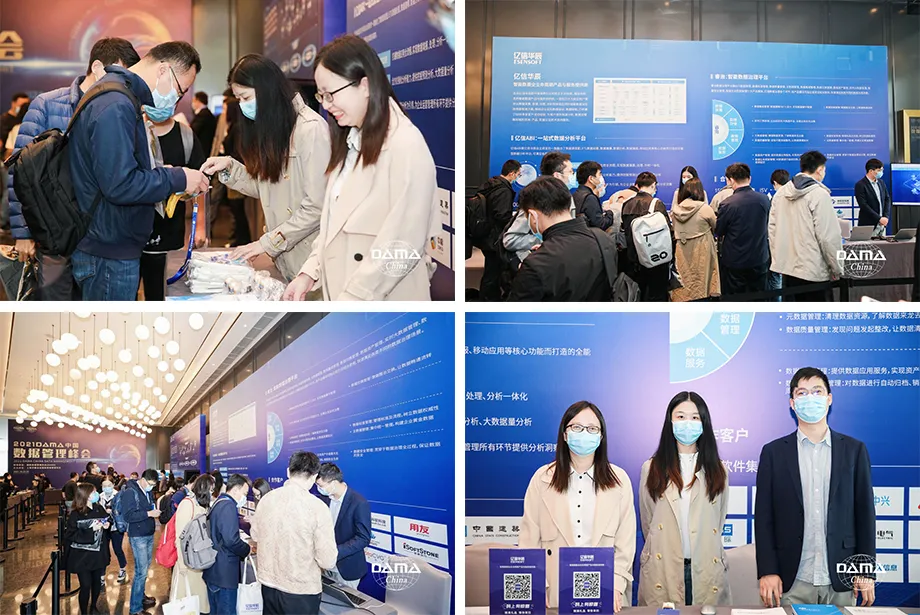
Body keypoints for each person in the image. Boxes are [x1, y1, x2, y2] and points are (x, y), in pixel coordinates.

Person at [281, 35, 439, 301]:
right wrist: (308, 273)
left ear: (364, 85)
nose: (326, 105)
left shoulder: (405, 144)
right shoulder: (351, 141)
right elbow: (332, 228)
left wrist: (353, 299)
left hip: (381, 304)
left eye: (330, 94)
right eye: (321, 95)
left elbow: (402, 245)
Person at [68, 41, 210, 301]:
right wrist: (178, 177)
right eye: (179, 91)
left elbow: (116, 171)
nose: (176, 100)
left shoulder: (120, 98)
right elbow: (120, 185)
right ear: (163, 70)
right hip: (108, 252)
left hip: (112, 246)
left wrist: (161, 173)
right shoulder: (116, 104)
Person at [6, 38, 141, 301]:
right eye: (121, 74)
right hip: (54, 235)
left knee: (95, 313)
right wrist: (22, 233)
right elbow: (19, 172)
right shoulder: (47, 105)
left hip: (98, 237)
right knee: (55, 312)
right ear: (98, 67)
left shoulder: (123, 110)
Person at [200, 54, 330, 282]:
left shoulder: (310, 129)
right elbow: (268, 187)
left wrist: (267, 243)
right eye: (238, 99)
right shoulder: (275, 127)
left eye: (246, 97)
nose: (242, 105)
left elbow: (317, 206)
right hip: (286, 259)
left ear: (266, 89)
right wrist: (230, 167)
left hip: (311, 263)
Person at [755, 367, 876, 608]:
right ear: (792, 403)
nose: (810, 398)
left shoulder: (854, 451)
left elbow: (865, 514)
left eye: (817, 391)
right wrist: (768, 570)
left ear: (829, 399)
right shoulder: (773, 453)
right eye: (802, 393)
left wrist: (865, 569)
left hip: (842, 577)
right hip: (791, 579)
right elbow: (764, 517)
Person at [519, 401, 636, 611]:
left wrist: (616, 585)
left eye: (592, 429)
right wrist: (538, 585)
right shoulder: (542, 479)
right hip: (554, 592)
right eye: (577, 427)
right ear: (565, 434)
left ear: (601, 437)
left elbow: (625, 543)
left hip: (606, 590)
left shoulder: (619, 480)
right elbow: (529, 540)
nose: (584, 434)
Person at [638, 392, 730, 606]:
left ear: (704, 423)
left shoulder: (719, 470)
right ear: (670, 421)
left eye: (695, 417)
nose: (687, 423)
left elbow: (718, 521)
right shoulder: (651, 468)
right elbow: (649, 522)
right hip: (663, 569)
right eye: (680, 416)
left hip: (706, 568)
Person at [252, 452, 337, 615]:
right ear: (314, 476)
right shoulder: (317, 508)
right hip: (300, 591)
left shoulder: (266, 500)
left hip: (268, 585)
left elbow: (255, 535)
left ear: (288, 472)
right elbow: (327, 560)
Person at [507, 177, 615, 301]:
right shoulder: (603, 239)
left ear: (533, 215)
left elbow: (517, 309)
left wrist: (526, 271)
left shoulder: (536, 264)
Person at [140, 109, 208, 300]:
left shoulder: (185, 136)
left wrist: (200, 226)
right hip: (132, 236)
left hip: (169, 235)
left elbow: (200, 184)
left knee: (161, 296)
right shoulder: (132, 131)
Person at [768, 151, 843, 302]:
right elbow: (828, 237)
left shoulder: (780, 194)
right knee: (817, 315)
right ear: (820, 169)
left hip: (788, 270)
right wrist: (837, 268)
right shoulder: (819, 195)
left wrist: (778, 262)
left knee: (793, 315)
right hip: (814, 271)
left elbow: (773, 231)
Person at [502, 151, 577, 265]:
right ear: (557, 175)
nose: (573, 175)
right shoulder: (536, 198)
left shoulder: (567, 197)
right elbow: (510, 239)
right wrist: (546, 239)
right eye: (570, 172)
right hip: (540, 264)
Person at [715, 163, 771, 298]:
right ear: (749, 178)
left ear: (730, 180)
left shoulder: (727, 204)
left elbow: (719, 231)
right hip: (759, 258)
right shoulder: (764, 199)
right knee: (759, 298)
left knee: (735, 300)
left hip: (735, 261)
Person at [315, 463, 371, 589]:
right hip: (325, 566)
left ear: (334, 483)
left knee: (346, 601)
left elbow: (363, 538)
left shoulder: (358, 503)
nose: (318, 489)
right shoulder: (324, 499)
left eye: (320, 485)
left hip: (347, 567)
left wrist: (335, 552)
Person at [204, 473, 252, 615]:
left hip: (214, 570)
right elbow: (231, 540)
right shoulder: (228, 506)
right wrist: (246, 549)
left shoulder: (219, 502)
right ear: (235, 490)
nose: (245, 497)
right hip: (224, 573)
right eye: (245, 493)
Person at [472, 159, 520, 301]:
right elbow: (501, 215)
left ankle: (489, 297)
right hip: (494, 238)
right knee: (493, 272)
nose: (518, 177)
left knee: (492, 270)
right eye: (518, 174)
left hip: (485, 234)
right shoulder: (503, 190)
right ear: (511, 173)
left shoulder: (490, 185)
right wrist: (514, 220)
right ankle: (488, 300)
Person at [621, 171, 673, 302]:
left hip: (633, 259)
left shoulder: (626, 204)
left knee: (637, 295)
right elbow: (668, 232)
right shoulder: (656, 204)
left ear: (637, 186)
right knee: (657, 296)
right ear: (653, 185)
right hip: (655, 258)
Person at [64, 483, 111, 615]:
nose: (96, 494)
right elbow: (70, 535)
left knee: (97, 583)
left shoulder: (98, 507)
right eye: (93, 492)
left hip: (98, 554)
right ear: (86, 495)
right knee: (85, 585)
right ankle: (84, 611)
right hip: (82, 556)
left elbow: (106, 520)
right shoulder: (76, 514)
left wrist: (107, 524)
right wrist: (91, 530)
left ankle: (93, 606)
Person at [171, 474, 214, 614]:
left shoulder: (203, 505)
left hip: (200, 561)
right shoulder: (187, 504)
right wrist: (182, 565)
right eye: (211, 490)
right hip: (187, 562)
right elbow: (179, 537)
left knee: (198, 603)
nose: (213, 493)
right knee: (185, 603)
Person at [670, 178, 720, 301]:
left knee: (684, 280)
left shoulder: (676, 210)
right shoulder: (705, 209)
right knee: (702, 281)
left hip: (681, 250)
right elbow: (716, 227)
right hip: (703, 249)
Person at [122, 469, 161, 615]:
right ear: (143, 480)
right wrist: (149, 513)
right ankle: (135, 608)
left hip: (148, 533)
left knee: (144, 569)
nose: (151, 487)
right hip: (138, 536)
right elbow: (128, 516)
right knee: (141, 572)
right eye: (150, 484)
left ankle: (141, 596)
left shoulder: (147, 491)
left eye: (153, 485)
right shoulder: (130, 492)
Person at [217, 99, 251, 246]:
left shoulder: (237, 128)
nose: (223, 113)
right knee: (236, 209)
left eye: (225, 109)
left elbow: (238, 151)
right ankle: (239, 238)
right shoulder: (234, 127)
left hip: (236, 172)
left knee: (237, 209)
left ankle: (241, 239)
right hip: (233, 171)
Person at [100, 479, 128, 585]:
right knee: (104, 551)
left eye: (109, 485)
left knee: (117, 549)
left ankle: (122, 569)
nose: (106, 487)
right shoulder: (100, 496)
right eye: (104, 485)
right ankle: (101, 574)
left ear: (113, 485)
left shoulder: (119, 496)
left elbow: (123, 510)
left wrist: (114, 511)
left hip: (116, 527)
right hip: (103, 527)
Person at [574, 161, 614, 232]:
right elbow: (600, 225)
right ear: (591, 179)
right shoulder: (589, 198)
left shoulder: (576, 194)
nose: (601, 177)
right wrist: (609, 212)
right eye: (599, 174)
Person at [855, 158, 891, 236]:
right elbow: (863, 205)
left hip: (882, 225)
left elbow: (887, 199)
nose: (881, 173)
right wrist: (879, 218)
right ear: (871, 171)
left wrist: (885, 217)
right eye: (879, 170)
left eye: (882, 170)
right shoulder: (860, 185)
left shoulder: (881, 182)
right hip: (868, 225)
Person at [190, 92, 218, 158]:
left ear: (198, 101)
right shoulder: (204, 113)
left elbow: (194, 130)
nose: (192, 103)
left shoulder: (203, 114)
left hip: (203, 148)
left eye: (193, 100)